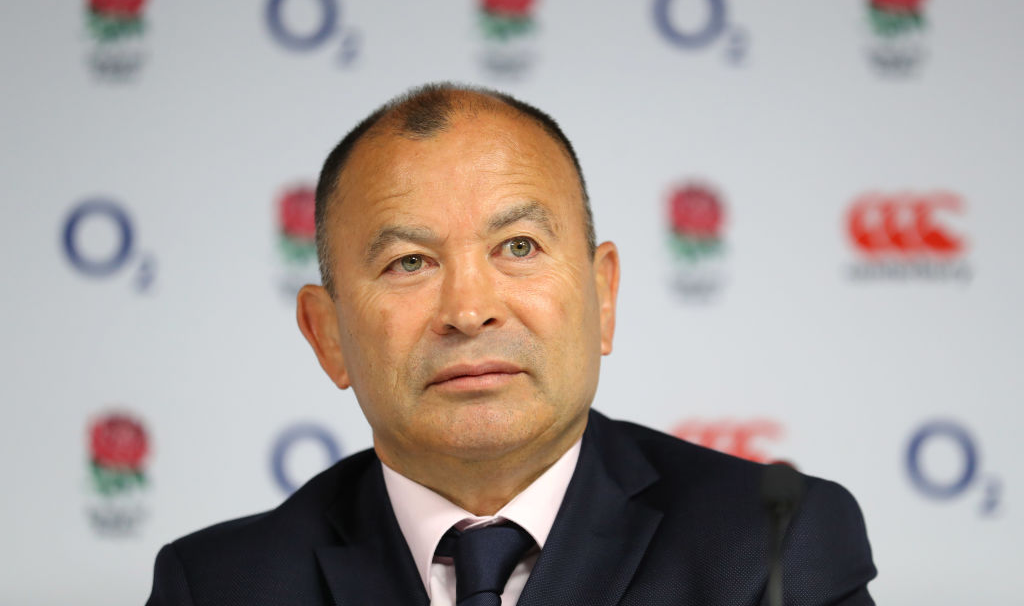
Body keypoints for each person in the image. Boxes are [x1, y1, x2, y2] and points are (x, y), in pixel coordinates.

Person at [146, 84, 876, 605]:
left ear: (603, 296)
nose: (469, 311)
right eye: (409, 262)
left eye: (518, 246)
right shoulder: (218, 586)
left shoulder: (770, 549)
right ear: (326, 334)